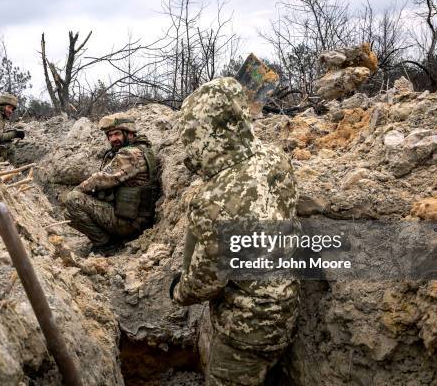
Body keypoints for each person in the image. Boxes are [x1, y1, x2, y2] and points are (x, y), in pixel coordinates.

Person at [169, 77, 300, 386]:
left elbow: (207, 280)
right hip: (288, 306)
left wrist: (178, 291)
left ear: (202, 135)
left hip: (246, 327)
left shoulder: (213, 199)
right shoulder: (274, 158)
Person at [63, 113, 158, 255]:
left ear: (130, 133)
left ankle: (107, 245)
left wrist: (79, 190)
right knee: (69, 214)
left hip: (130, 224)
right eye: (110, 135)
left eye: (117, 134)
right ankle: (108, 239)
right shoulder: (141, 150)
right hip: (133, 218)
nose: (113, 139)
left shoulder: (130, 154)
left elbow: (100, 180)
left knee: (73, 200)